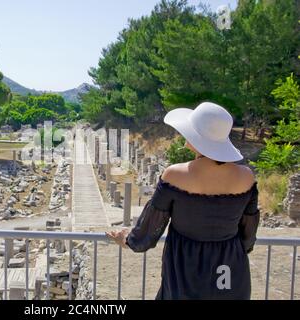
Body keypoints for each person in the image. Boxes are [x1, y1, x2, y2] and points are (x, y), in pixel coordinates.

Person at [106, 102, 260, 300]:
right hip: (230, 266)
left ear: (196, 139)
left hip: (186, 265)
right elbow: (248, 233)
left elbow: (150, 227)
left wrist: (127, 239)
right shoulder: (246, 176)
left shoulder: (175, 175)